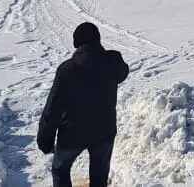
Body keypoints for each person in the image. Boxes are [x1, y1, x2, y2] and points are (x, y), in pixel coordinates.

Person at [38, 21, 129, 187]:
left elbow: (53, 108)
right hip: (104, 132)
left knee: (60, 170)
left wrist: (45, 139)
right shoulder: (112, 62)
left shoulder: (66, 70)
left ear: (76, 44)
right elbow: (123, 73)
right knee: (99, 175)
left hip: (71, 135)